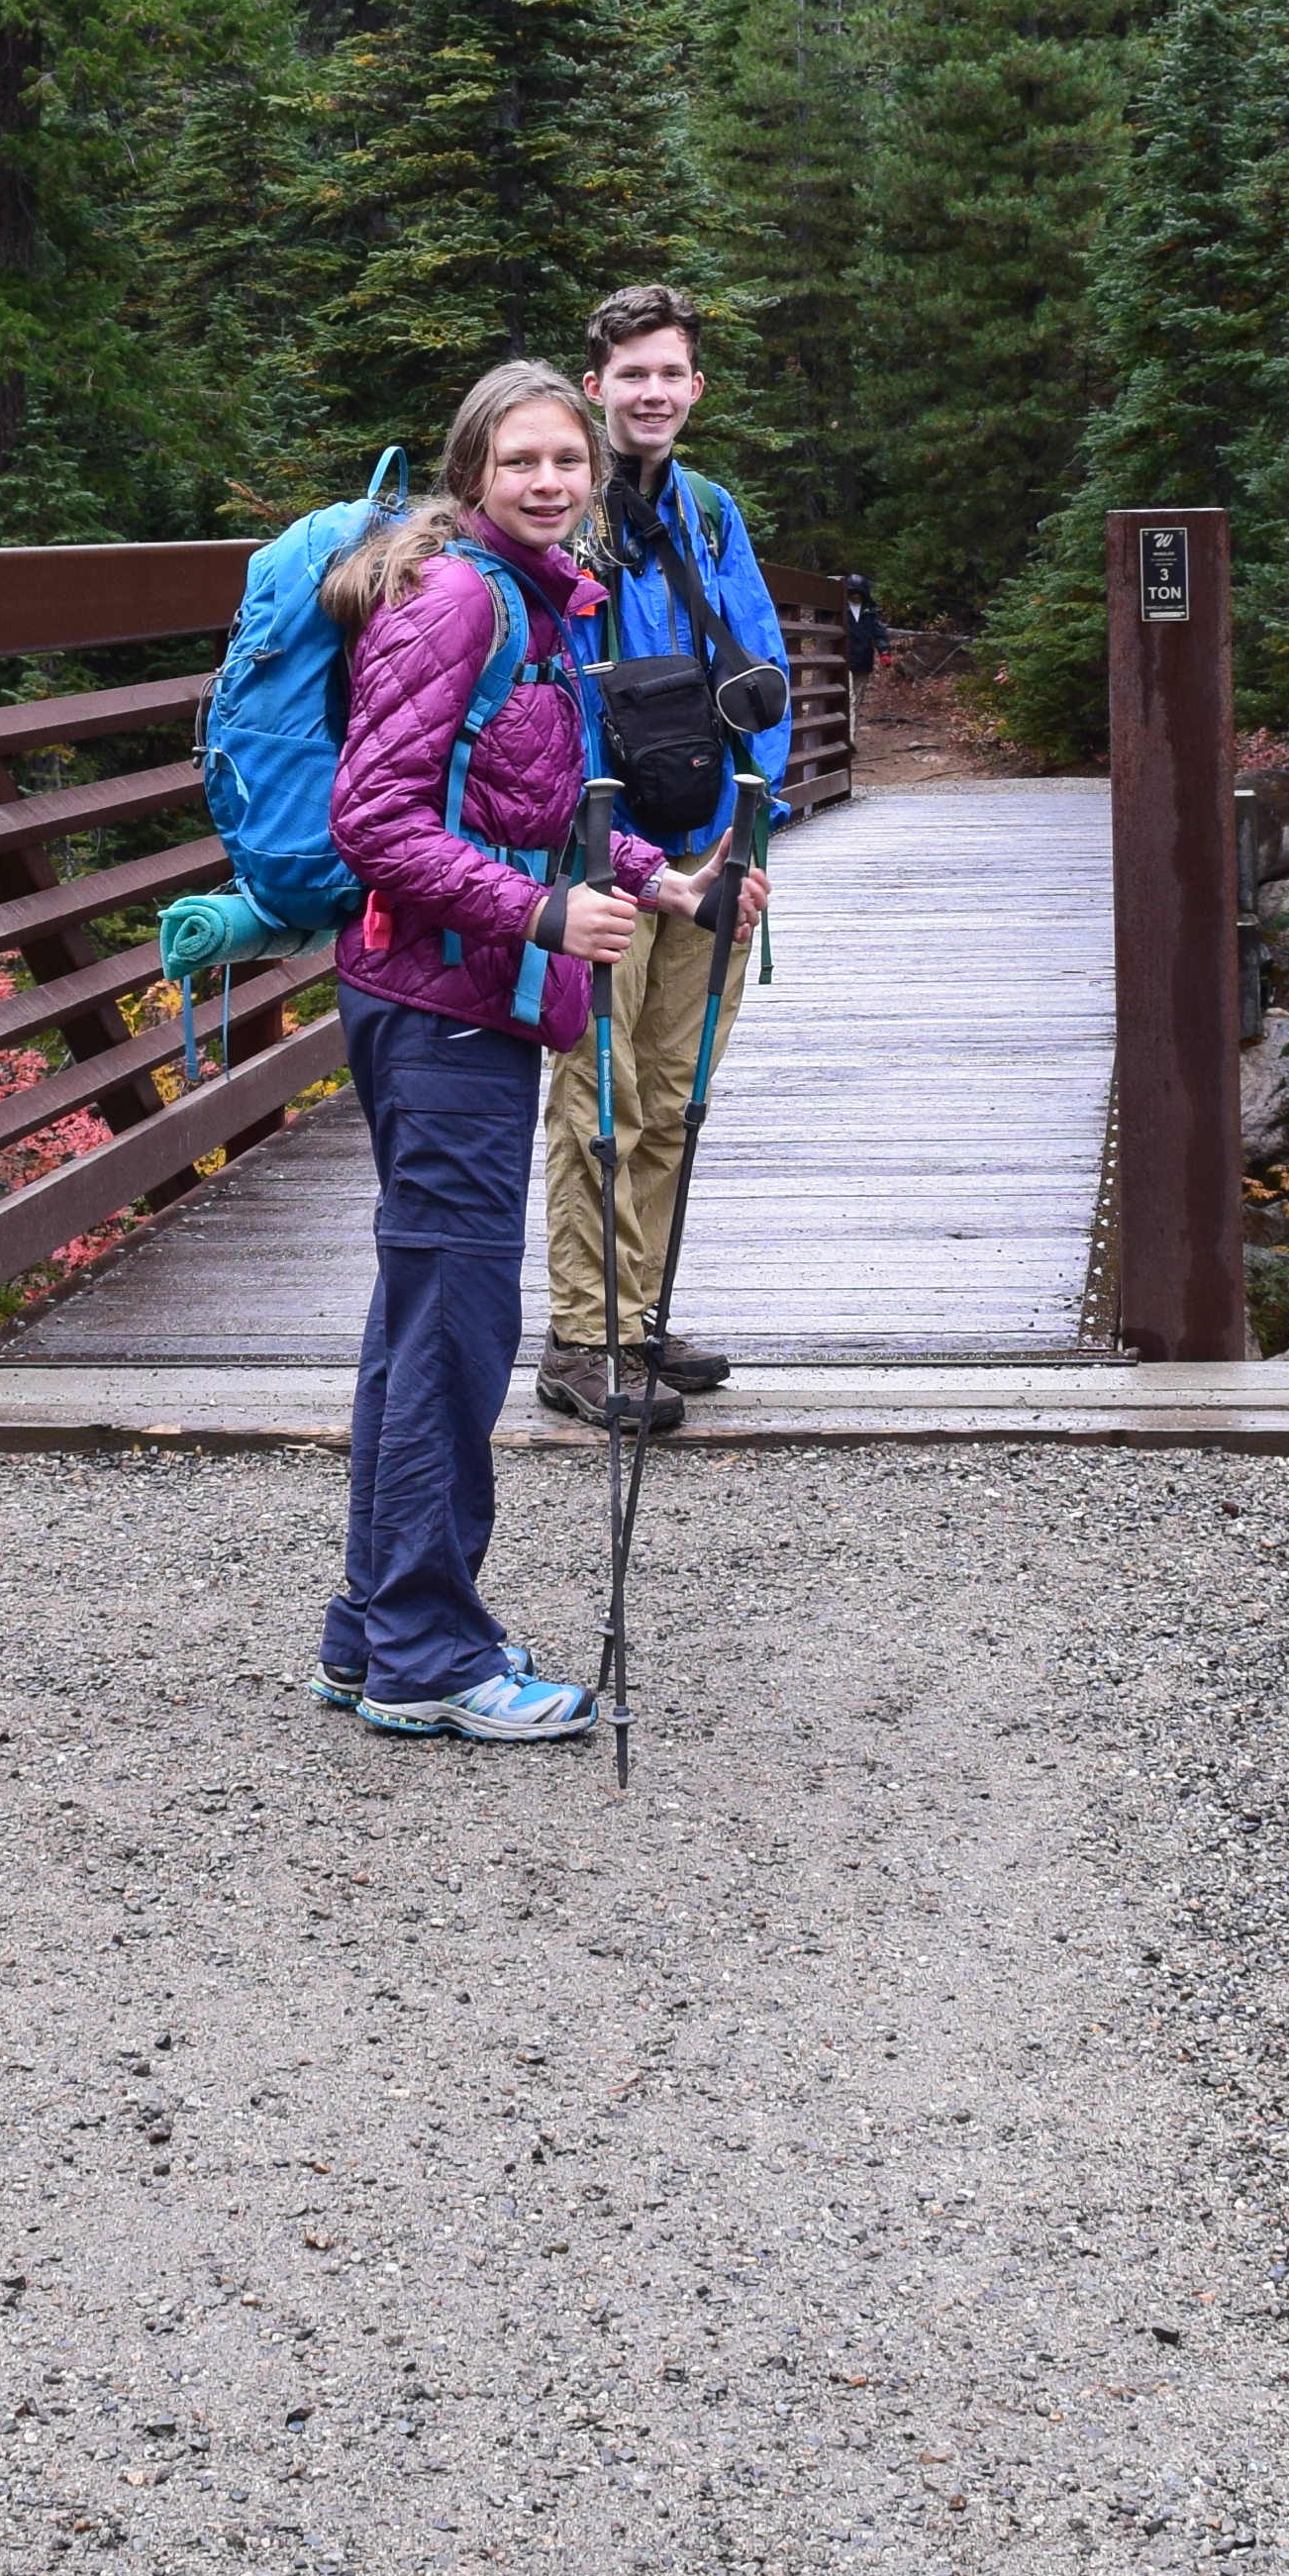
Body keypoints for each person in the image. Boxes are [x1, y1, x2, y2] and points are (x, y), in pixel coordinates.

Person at [306, 360, 754, 1740]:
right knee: (453, 1326)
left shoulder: (536, 602)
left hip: (473, 994)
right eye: (521, 463)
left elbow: (538, 800)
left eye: (567, 460)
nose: (550, 481)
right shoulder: (452, 600)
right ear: (472, 475)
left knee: (419, 1320)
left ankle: (370, 1629)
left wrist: (654, 875)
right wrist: (543, 911)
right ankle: (431, 1656)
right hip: (440, 1000)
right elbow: (373, 820)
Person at [540, 284, 793, 1433]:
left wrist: (749, 832)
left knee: (676, 1095)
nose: (651, 393)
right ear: (596, 385)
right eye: (629, 374)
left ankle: (637, 1318)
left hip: (708, 843)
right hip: (600, 850)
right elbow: (544, 697)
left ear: (696, 387)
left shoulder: (710, 515)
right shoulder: (563, 507)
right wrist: (613, 848)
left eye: (669, 374)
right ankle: (582, 1337)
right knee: (605, 1095)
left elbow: (761, 674)